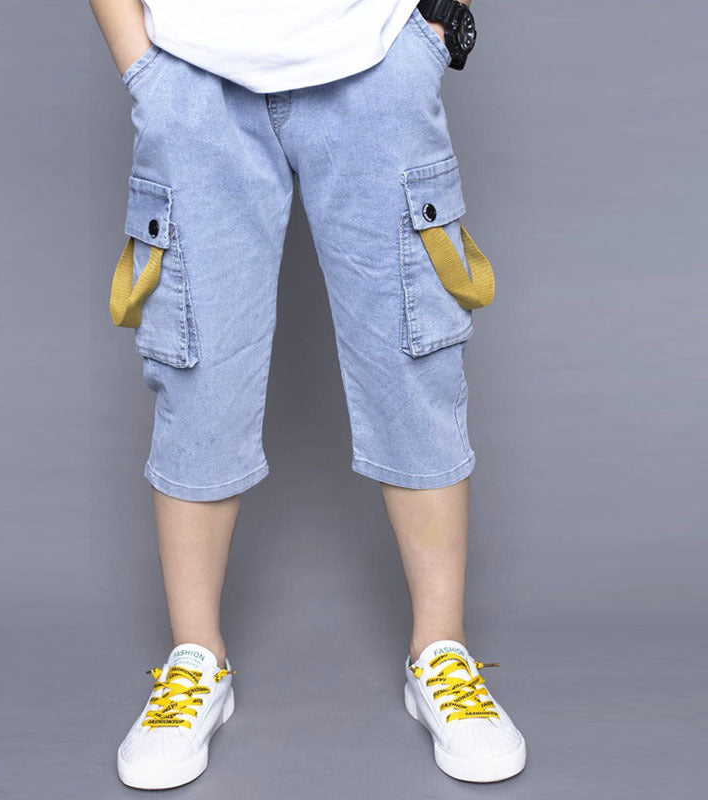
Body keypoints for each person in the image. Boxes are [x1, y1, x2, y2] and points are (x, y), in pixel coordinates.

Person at [91, 0, 526, 788]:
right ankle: (195, 660)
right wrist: (142, 68)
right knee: (196, 368)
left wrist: (436, 29)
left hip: (375, 64)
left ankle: (441, 650)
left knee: (414, 360)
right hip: (193, 78)